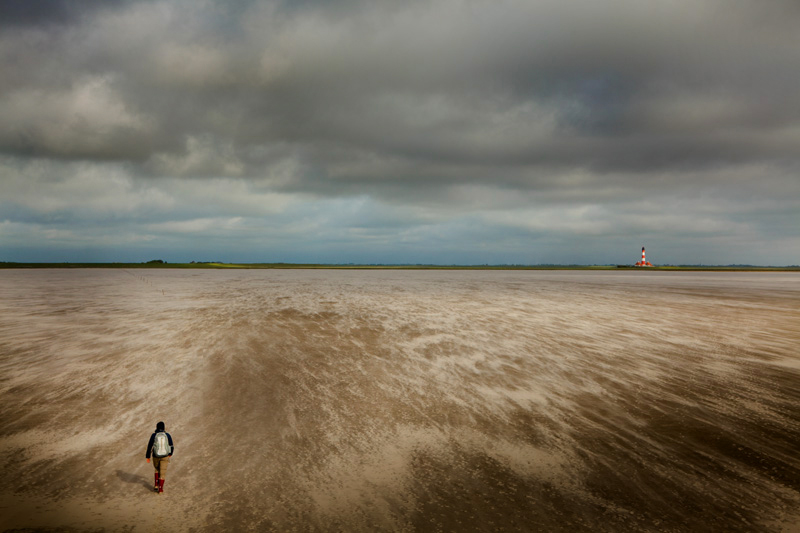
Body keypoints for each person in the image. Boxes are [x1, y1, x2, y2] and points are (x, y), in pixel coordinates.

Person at [145, 421, 174, 493]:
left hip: (156, 456)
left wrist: (148, 456)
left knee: (156, 469)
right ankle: (160, 489)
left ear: (156, 427)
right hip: (165, 456)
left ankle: (156, 485)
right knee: (163, 472)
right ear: (164, 427)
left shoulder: (154, 435)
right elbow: (171, 446)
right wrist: (170, 453)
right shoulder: (167, 435)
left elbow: (149, 446)